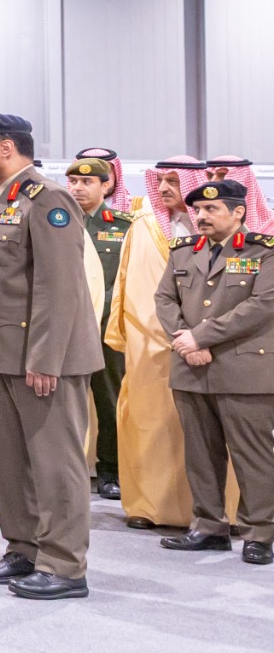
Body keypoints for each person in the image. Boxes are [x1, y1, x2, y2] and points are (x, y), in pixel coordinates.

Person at [0, 114, 105, 601]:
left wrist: (45, 358)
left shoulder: (48, 200)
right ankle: (23, 549)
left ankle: (64, 565)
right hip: (2, 354)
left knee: (55, 465)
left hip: (45, 359)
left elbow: (59, 286)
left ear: (6, 148)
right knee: (10, 464)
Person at [153, 179, 274, 566]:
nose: (201, 216)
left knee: (252, 456)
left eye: (211, 209)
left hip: (243, 369)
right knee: (200, 454)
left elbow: (262, 305)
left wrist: (201, 337)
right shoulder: (183, 252)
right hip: (190, 367)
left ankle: (260, 533)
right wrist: (185, 340)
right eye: (199, 210)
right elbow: (164, 298)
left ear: (238, 212)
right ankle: (209, 527)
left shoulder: (263, 252)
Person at [108, 158, 206, 532]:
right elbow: (124, 282)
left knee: (200, 429)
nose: (164, 188)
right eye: (160, 180)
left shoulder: (212, 227)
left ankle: (208, 511)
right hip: (147, 343)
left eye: (174, 181)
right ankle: (148, 505)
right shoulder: (143, 226)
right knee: (149, 423)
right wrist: (121, 332)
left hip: (203, 343)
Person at [66, 159, 132, 499]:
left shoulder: (124, 226)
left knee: (110, 401)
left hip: (107, 330)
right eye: (73, 182)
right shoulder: (57, 220)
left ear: (106, 186)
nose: (78, 188)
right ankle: (67, 469)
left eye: (87, 182)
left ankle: (110, 470)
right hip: (65, 329)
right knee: (63, 403)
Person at [203, 155, 274, 232]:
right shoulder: (203, 220)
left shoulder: (271, 226)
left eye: (222, 175)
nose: (212, 181)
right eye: (210, 176)